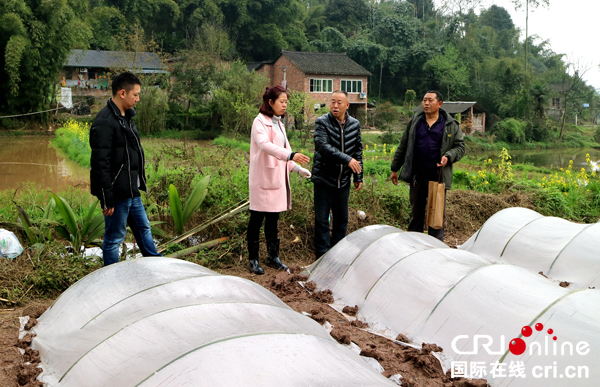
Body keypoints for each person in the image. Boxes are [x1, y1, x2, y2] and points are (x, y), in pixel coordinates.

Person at [90, 72, 161, 266]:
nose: (138, 99)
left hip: (131, 190)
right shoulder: (105, 121)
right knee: (113, 240)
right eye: (135, 95)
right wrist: (106, 197)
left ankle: (156, 267)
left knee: (144, 229)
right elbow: (99, 163)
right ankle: (111, 282)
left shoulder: (127, 118)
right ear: (122, 93)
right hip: (116, 194)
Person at [248, 86, 311, 275]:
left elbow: (285, 156)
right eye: (281, 101)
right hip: (262, 180)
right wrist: (291, 155)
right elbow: (265, 146)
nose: (284, 105)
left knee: (273, 221)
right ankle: (253, 260)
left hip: (276, 181)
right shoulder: (259, 122)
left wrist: (299, 169)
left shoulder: (280, 124)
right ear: (270, 102)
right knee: (256, 219)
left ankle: (273, 257)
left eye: (286, 102)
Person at [390, 90, 465, 241]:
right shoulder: (415, 121)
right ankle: (413, 247)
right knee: (416, 215)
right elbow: (403, 145)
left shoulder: (450, 124)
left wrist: (448, 157)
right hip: (417, 176)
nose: (426, 103)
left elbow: (460, 147)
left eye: (430, 100)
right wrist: (394, 168)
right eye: (424, 100)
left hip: (437, 177)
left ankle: (434, 250)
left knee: (436, 218)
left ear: (440, 104)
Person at [311, 90, 363, 258]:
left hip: (343, 181)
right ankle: (322, 256)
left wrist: (358, 176)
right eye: (333, 101)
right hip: (324, 179)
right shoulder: (322, 123)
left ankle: (337, 255)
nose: (335, 105)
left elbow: (358, 151)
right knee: (322, 221)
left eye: (339, 102)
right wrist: (347, 159)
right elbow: (323, 147)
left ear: (347, 105)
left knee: (341, 220)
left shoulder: (355, 124)